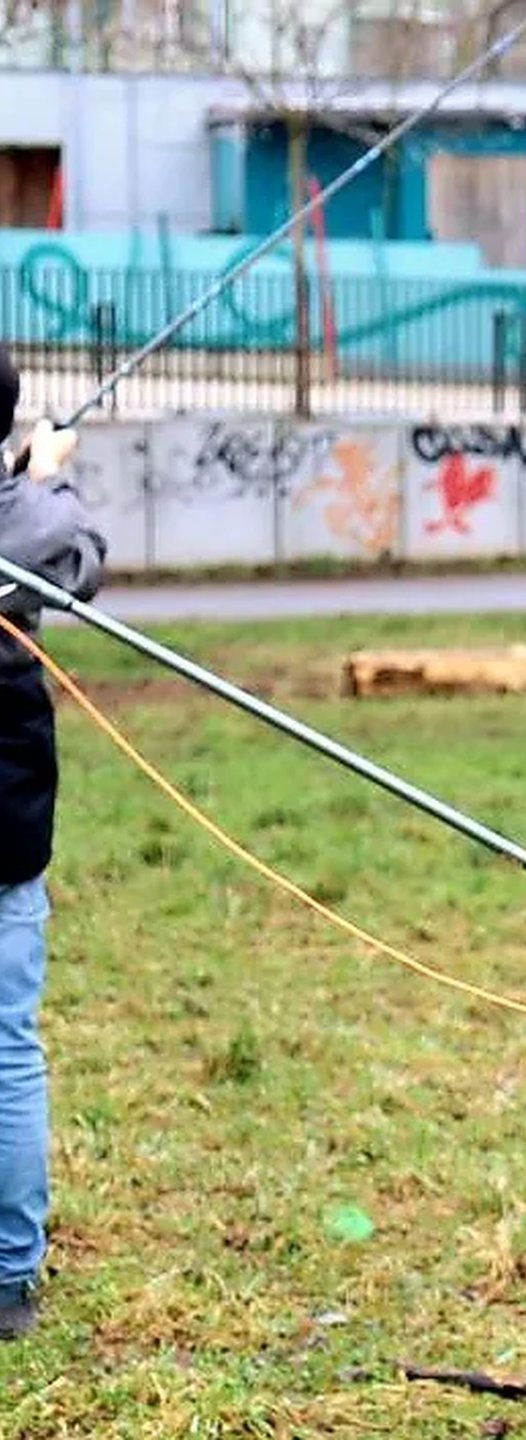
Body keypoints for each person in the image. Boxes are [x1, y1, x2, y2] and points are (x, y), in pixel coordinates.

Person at [0, 358, 105, 1340]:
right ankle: (7, 1278)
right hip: (6, 802)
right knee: (5, 1044)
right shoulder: (23, 516)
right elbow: (78, 558)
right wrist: (42, 479)